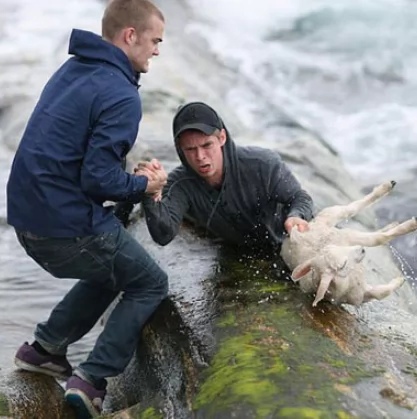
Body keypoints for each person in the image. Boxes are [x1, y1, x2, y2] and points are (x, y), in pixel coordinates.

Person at [6, 0, 168, 417]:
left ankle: (44, 349)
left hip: (26, 219)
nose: (157, 50)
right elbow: (97, 180)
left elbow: (77, 157)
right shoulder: (120, 93)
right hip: (63, 227)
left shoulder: (73, 70)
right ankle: (92, 379)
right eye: (154, 40)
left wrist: (123, 178)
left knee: (113, 264)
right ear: (129, 36)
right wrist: (143, 184)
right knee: (149, 281)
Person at [133, 101, 314, 254]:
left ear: (222, 138)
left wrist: (296, 216)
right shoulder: (180, 184)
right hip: (237, 252)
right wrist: (150, 193)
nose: (200, 157)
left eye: (207, 145)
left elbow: (300, 197)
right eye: (190, 149)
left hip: (288, 244)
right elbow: (163, 235)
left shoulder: (262, 164)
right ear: (180, 149)